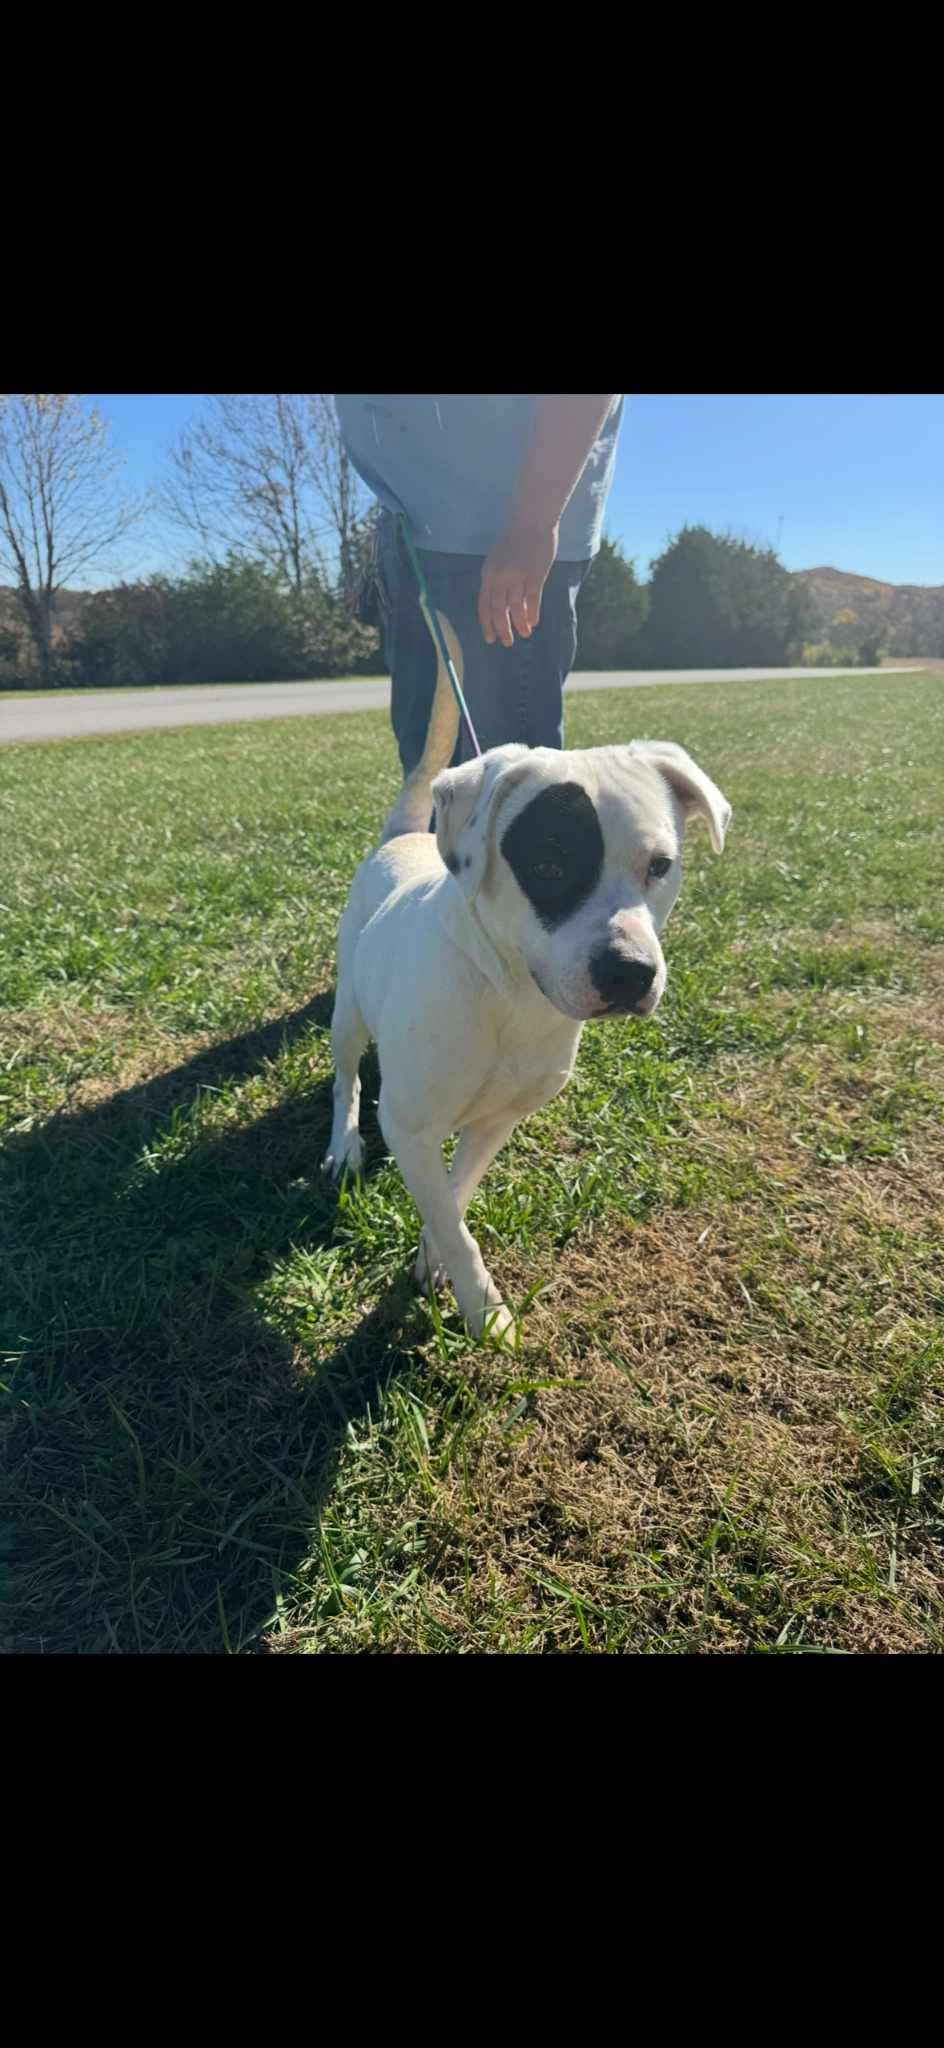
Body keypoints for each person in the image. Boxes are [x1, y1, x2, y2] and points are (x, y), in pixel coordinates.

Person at [334, 395, 623, 774]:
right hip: (409, 520)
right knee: (428, 776)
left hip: (494, 530)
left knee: (505, 783)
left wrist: (532, 520)